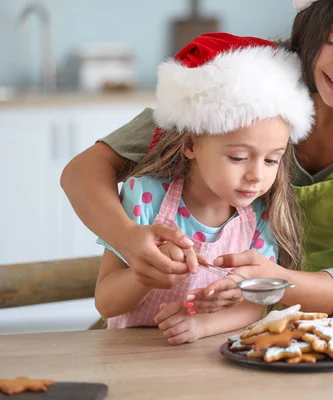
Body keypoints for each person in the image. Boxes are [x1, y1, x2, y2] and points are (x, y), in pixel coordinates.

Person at [61, 0, 333, 318]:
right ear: (306, 28)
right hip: (258, 307)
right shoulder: (253, 76)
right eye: (332, 41)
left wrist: (275, 282)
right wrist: (128, 239)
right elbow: (84, 170)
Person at [93, 32, 314, 345]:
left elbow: (255, 305)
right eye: (238, 157)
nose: (255, 176)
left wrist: (203, 326)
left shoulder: (259, 215)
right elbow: (106, 302)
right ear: (191, 144)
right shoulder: (144, 197)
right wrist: (147, 273)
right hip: (130, 359)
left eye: (271, 160)